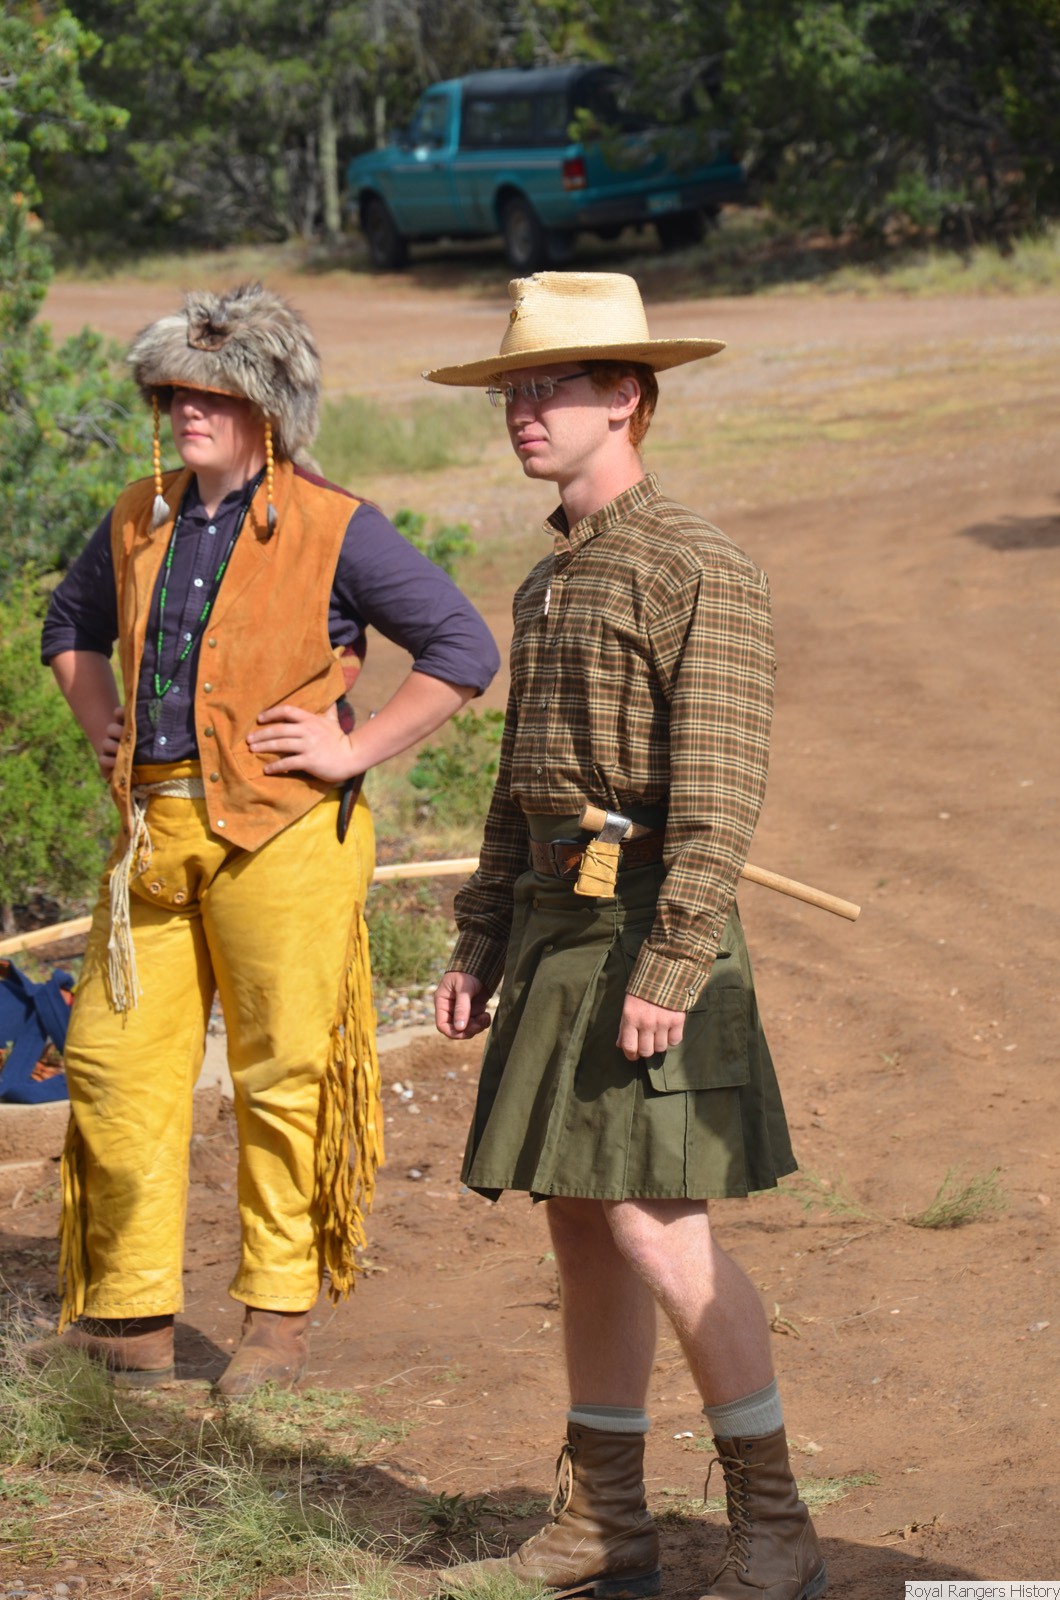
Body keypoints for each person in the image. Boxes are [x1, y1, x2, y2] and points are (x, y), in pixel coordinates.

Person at [428, 273, 826, 1600]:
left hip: (649, 923)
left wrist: (672, 960)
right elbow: (519, 790)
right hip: (556, 926)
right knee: (583, 1227)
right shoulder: (548, 579)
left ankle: (776, 1526)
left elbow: (719, 792)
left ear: (628, 398)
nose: (523, 412)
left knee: (658, 1228)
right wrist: (480, 939)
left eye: (551, 388)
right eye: (513, 391)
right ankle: (605, 1522)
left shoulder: (696, 566)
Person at [39, 281, 499, 1396]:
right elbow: (71, 626)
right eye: (175, 392)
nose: (189, 409)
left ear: (269, 407)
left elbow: (460, 646)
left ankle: (275, 1326)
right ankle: (130, 1318)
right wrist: (101, 722)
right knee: (111, 1062)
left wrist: (352, 748)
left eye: (216, 392)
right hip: (154, 835)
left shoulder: (336, 523)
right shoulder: (138, 515)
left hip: (287, 835)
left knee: (285, 1070)